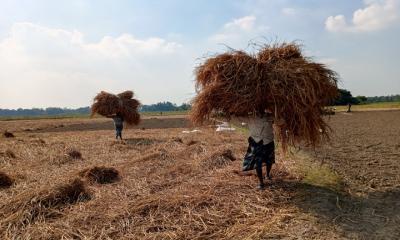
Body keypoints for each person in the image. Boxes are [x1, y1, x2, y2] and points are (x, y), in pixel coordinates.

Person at [235, 111, 275, 190]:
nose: (260, 111)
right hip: (256, 142)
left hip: (268, 141)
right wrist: (231, 114)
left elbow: (280, 121)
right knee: (258, 163)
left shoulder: (269, 117)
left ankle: (267, 175)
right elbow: (237, 119)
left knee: (269, 160)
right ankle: (261, 183)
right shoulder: (250, 117)